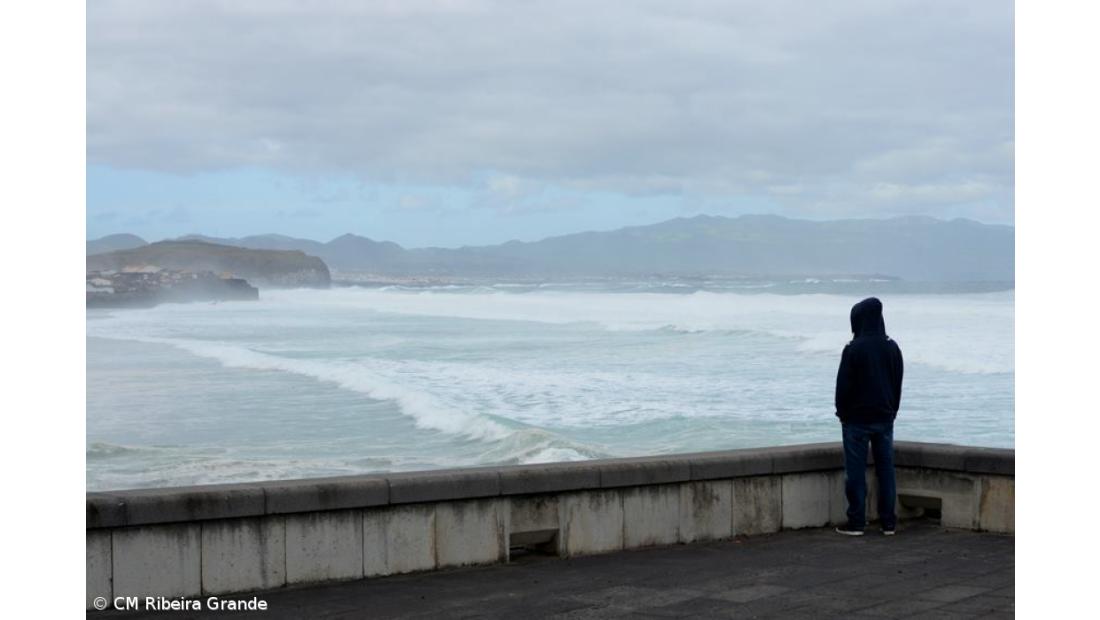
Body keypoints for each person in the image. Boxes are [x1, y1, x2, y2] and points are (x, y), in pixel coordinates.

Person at [833, 297, 903, 536]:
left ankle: (857, 522)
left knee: (855, 472)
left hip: (856, 421)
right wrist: (892, 411)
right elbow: (897, 383)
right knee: (886, 471)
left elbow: (843, 386)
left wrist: (842, 413)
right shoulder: (892, 347)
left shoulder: (853, 349)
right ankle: (888, 523)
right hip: (884, 418)